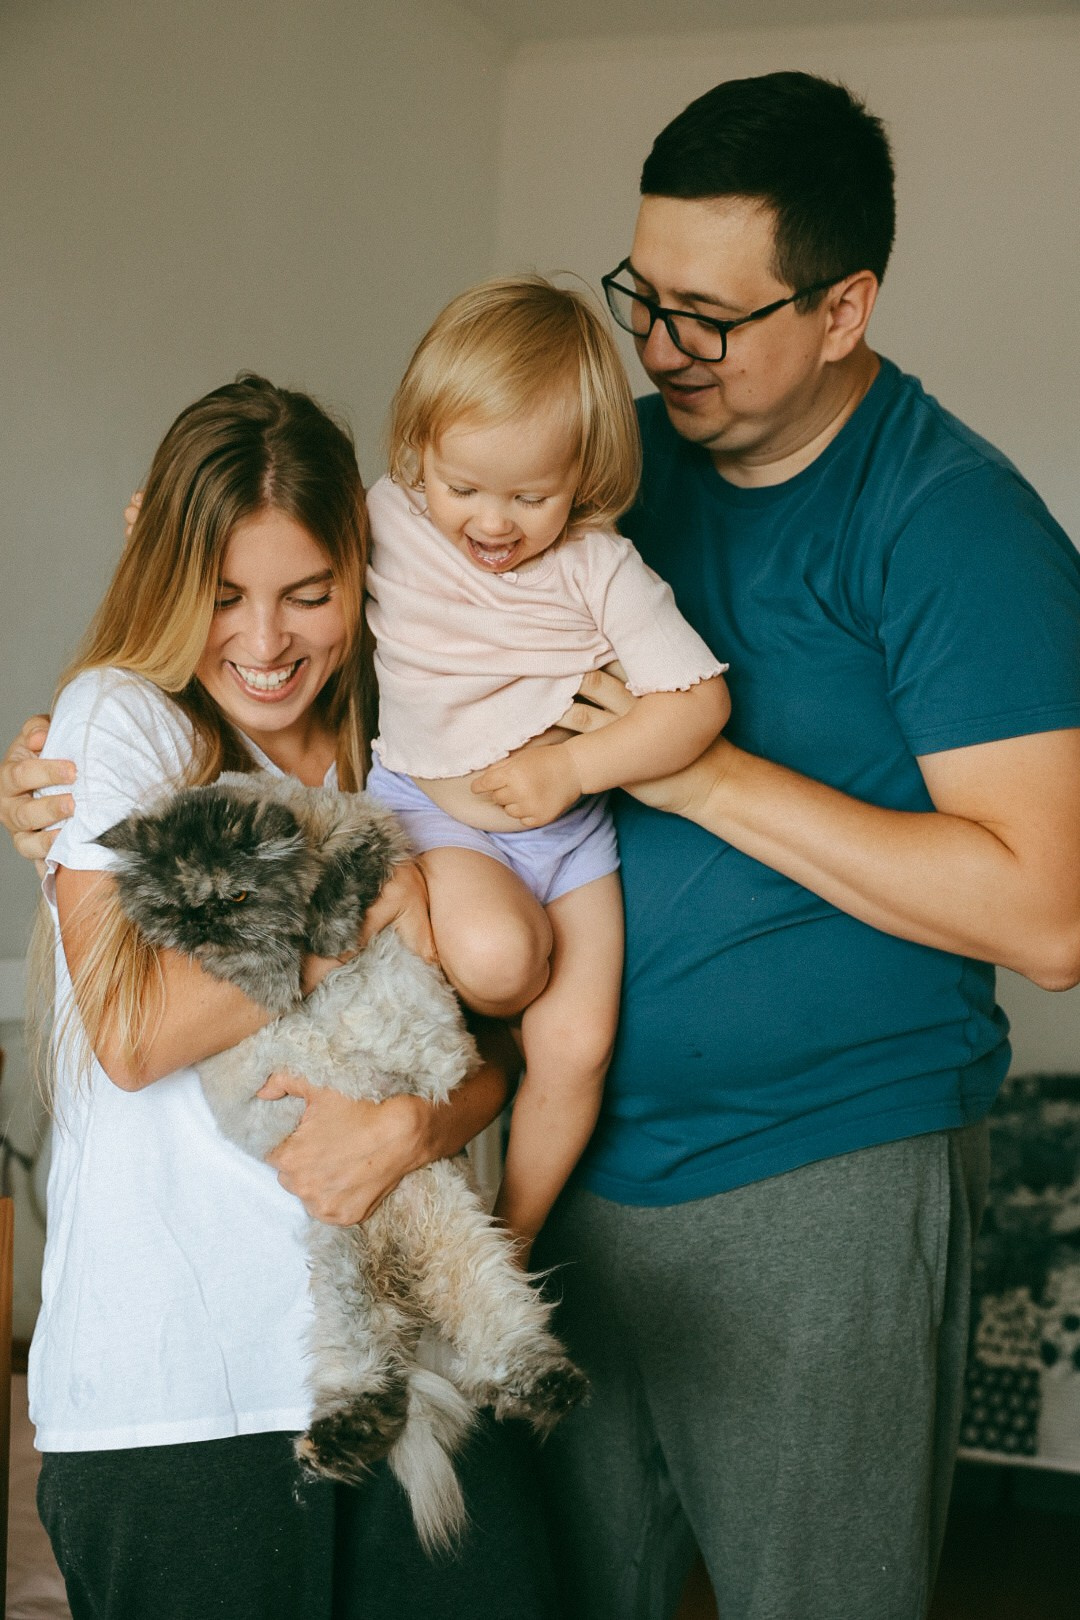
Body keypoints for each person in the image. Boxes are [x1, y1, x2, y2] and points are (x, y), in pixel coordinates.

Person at [6, 69, 1080, 1620]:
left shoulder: (954, 522)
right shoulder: (573, 470)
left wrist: (690, 773)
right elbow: (264, 577)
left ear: (842, 309)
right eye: (645, 294)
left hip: (815, 1178)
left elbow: (1050, 915)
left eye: (709, 317)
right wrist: (69, 761)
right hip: (566, 1190)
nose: (660, 347)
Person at [14, 374, 558, 1620]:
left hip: (410, 1369)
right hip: (184, 1405)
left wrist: (423, 1129)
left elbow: (497, 1047)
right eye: (223, 598)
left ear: (361, 573)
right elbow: (135, 1033)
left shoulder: (399, 744)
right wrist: (363, 899)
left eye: (307, 595)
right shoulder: (125, 715)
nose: (264, 644)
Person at [364, 276, 729, 1260]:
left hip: (571, 839)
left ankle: (508, 1246)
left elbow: (697, 702)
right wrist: (168, 526)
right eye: (465, 488)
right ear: (417, 456)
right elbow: (270, 550)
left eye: (531, 495)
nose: (493, 522)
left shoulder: (597, 566)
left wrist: (577, 774)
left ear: (583, 473)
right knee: (498, 959)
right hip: (437, 813)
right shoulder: (390, 520)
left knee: (579, 1048)